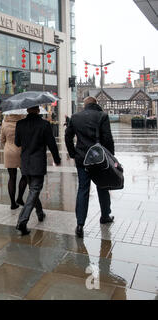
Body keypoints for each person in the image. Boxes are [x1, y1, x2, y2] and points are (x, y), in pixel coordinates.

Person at [65, 96, 115, 238]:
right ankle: (105, 215)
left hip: (82, 159)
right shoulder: (102, 116)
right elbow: (107, 138)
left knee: (83, 189)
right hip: (100, 159)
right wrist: (111, 157)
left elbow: (67, 137)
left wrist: (73, 153)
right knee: (103, 187)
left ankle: (80, 224)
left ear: (85, 105)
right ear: (96, 104)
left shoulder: (75, 117)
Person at [15, 106, 61, 235]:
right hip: (37, 163)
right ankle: (22, 221)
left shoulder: (20, 124)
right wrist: (57, 159)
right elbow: (52, 143)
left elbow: (17, 143)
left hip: (25, 162)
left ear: (27, 111)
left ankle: (40, 213)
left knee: (33, 190)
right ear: (38, 111)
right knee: (34, 190)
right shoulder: (44, 124)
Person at [0, 114, 28, 210]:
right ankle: (19, 198)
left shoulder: (4, 124)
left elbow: (2, 140)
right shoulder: (23, 123)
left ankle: (12, 203)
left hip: (8, 152)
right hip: (21, 151)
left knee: (12, 177)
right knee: (25, 175)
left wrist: (8, 146)